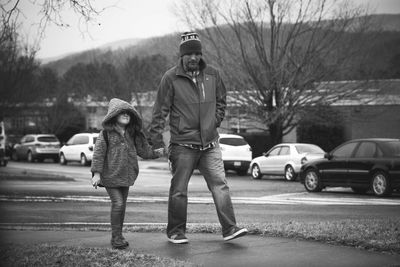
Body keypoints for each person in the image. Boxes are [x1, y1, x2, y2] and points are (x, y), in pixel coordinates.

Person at [149, 32, 248, 244]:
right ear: (182, 56)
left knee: (220, 185)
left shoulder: (213, 74)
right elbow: (159, 112)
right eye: (189, 54)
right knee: (179, 190)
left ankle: (230, 228)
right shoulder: (171, 78)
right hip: (183, 145)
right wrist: (157, 142)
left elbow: (222, 101)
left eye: (197, 53)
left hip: (210, 143)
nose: (194, 58)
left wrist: (215, 121)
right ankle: (176, 232)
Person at [91, 98, 163, 249]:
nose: (125, 115)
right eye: (121, 112)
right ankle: (116, 238)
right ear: (113, 115)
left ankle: (119, 235)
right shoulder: (106, 134)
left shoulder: (133, 134)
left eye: (128, 113)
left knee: (121, 206)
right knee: (118, 203)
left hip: (127, 176)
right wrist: (96, 174)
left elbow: (144, 151)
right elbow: (98, 154)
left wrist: (160, 152)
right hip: (110, 176)